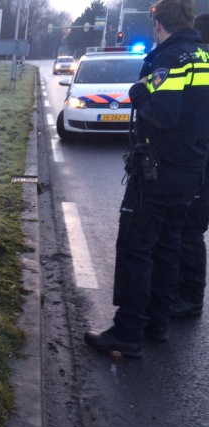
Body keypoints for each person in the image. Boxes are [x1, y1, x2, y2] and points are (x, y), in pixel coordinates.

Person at [85, 0, 209, 358]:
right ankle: (157, 323)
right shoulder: (203, 55)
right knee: (168, 245)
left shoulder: (171, 58)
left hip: (160, 171)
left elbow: (164, 115)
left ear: (158, 24)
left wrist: (138, 93)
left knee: (137, 248)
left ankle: (128, 331)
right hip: (191, 172)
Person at [170, 11, 209, 318]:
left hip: (200, 162)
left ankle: (190, 296)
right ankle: (182, 291)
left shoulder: (200, 65)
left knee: (190, 229)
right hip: (199, 159)